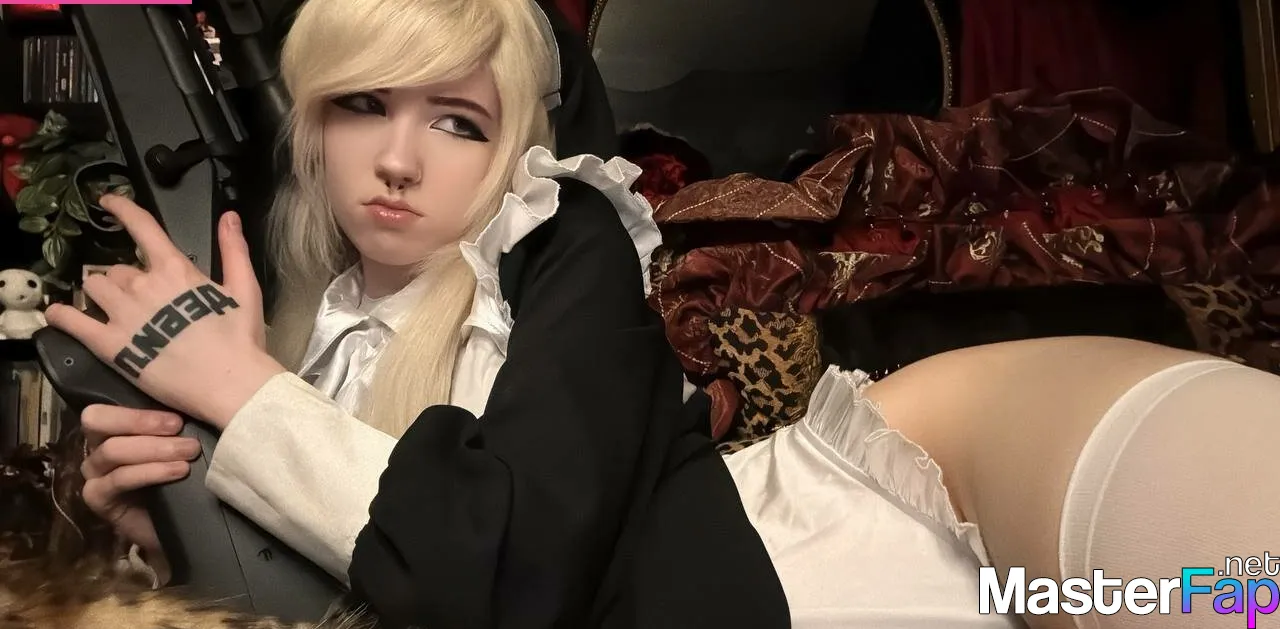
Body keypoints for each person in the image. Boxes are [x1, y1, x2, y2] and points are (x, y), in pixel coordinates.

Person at [42, 1, 1280, 629]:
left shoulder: (561, 239)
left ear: (514, 142)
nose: (400, 159)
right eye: (361, 103)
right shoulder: (297, 323)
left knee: (1247, 586)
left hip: (890, 529)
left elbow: (507, 570)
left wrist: (243, 397)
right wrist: (175, 514)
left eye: (457, 120)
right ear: (308, 124)